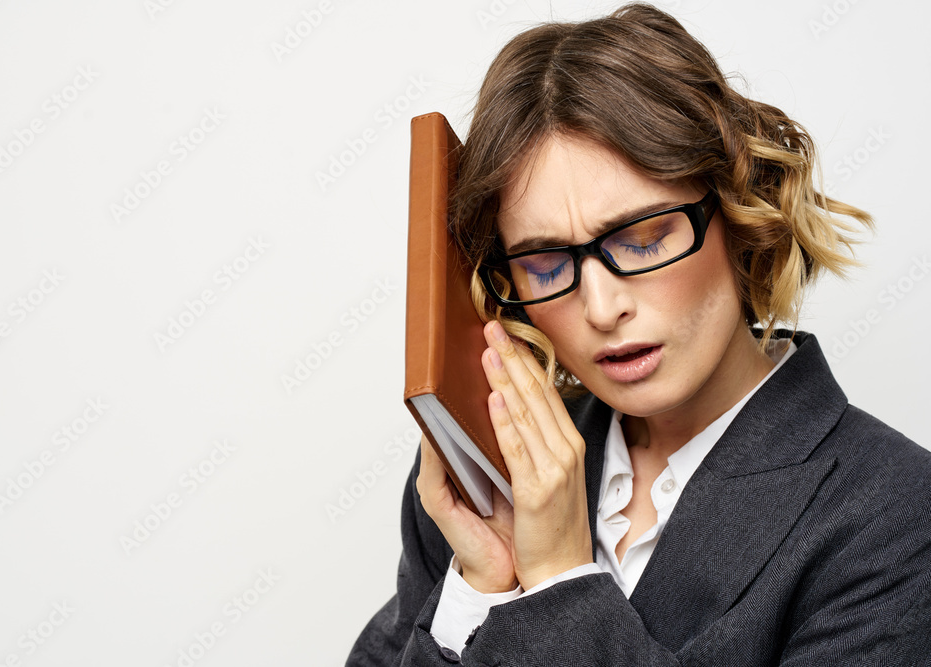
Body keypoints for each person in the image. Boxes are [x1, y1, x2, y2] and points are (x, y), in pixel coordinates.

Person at [348, 3, 931, 665]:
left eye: (644, 237)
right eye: (544, 262)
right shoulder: (483, 486)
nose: (601, 305)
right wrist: (483, 584)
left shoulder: (898, 514)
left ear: (742, 207)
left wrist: (561, 584)